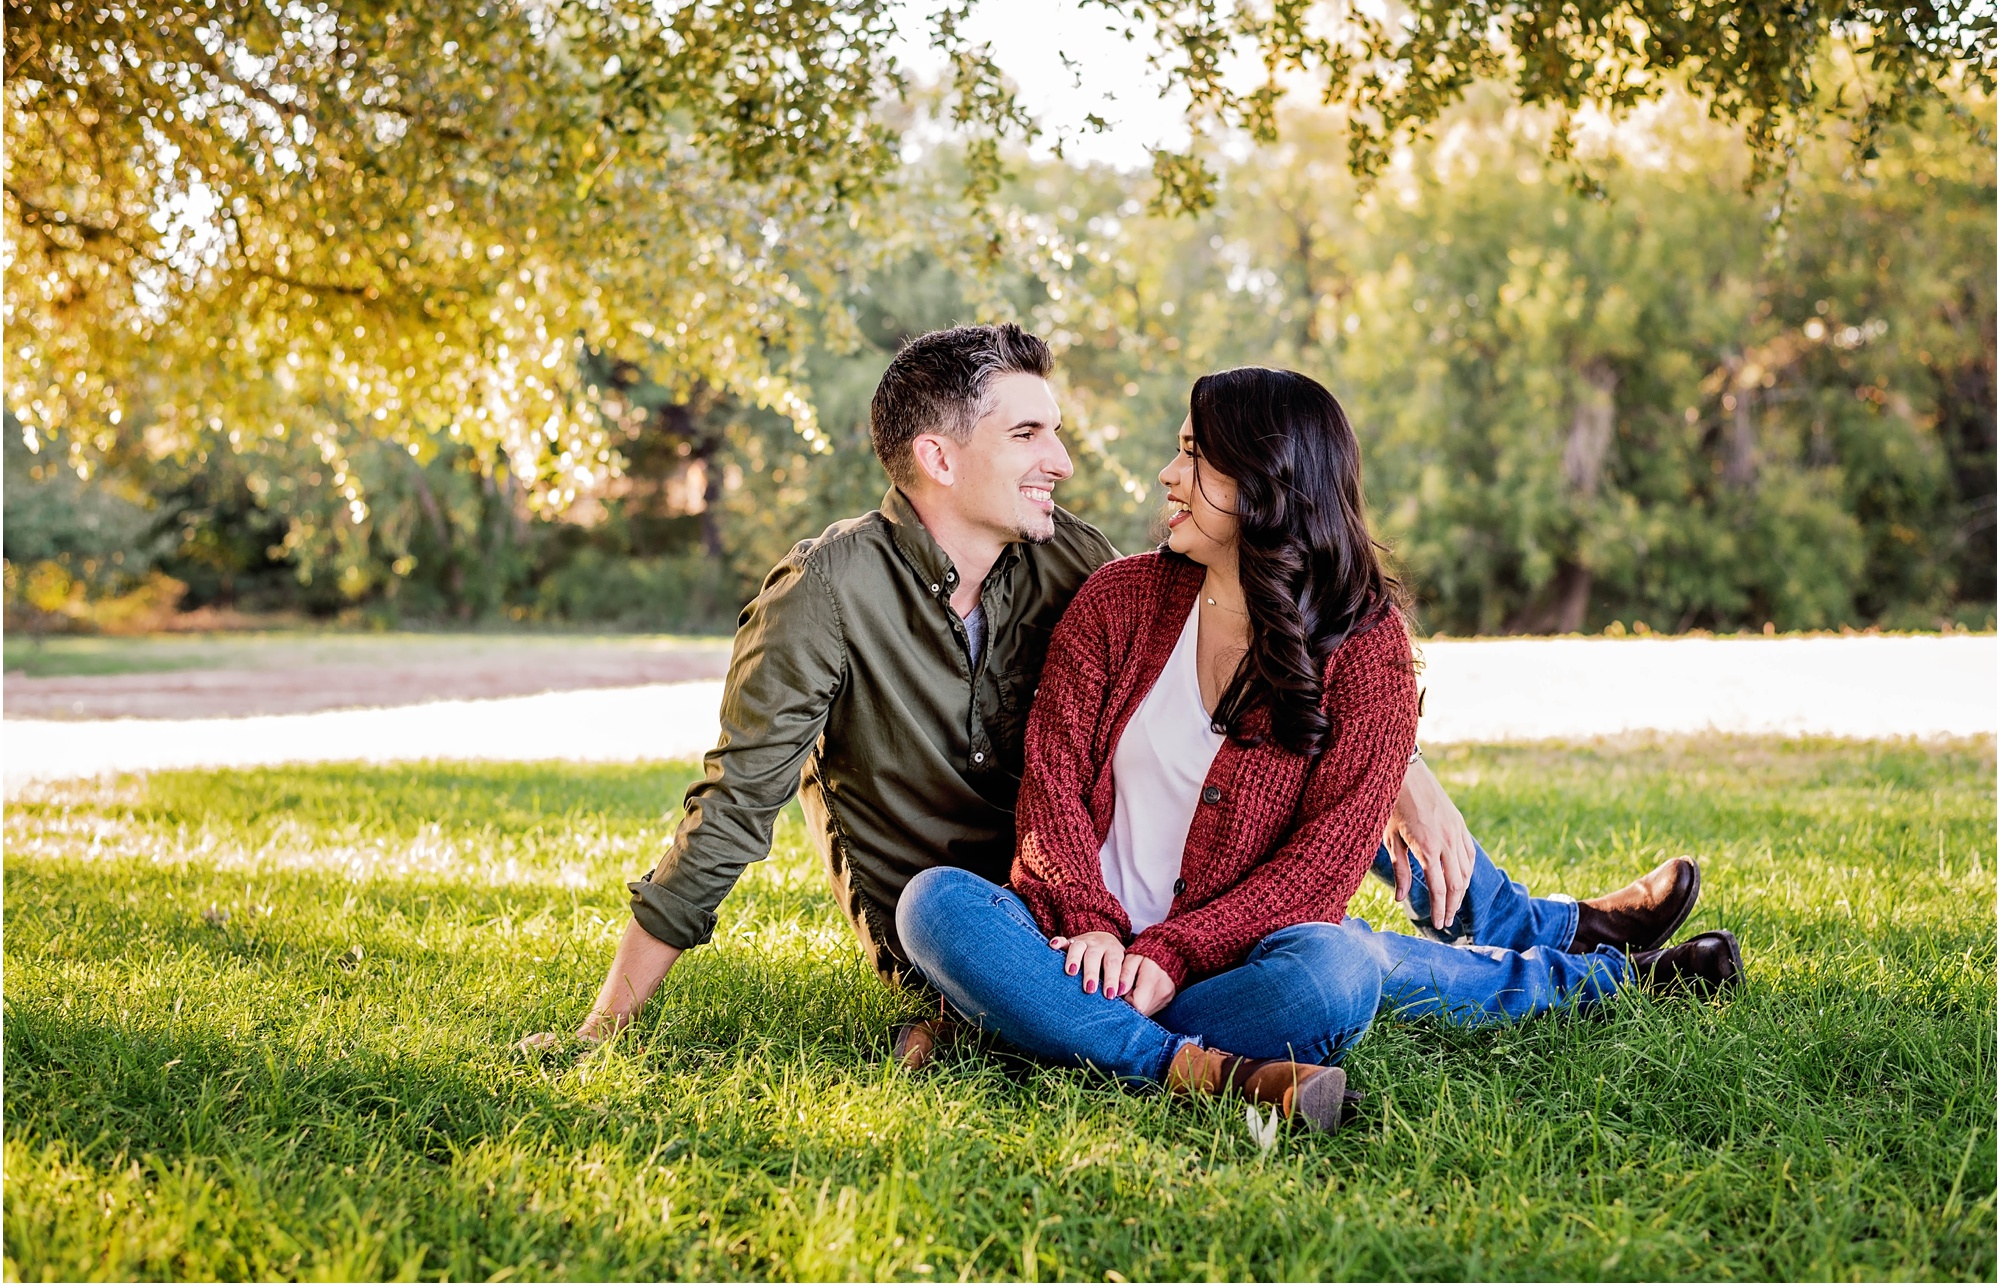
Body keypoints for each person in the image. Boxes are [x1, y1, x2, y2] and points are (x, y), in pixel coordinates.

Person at [521, 325, 1723, 1057]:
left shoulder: (1071, 555)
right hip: (1015, 921)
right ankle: (1201, 1051)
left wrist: (1399, 765)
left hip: (1174, 906)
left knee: (1303, 853)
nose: (1065, 459)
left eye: (1061, 432)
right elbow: (734, 808)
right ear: (941, 459)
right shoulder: (832, 593)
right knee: (1336, 950)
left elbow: (1281, 706)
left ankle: (1556, 933)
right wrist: (602, 1025)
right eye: (1032, 433)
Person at [895, 368, 1743, 1131]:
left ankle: (1023, 1027)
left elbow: (1316, 877)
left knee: (1336, 967)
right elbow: (1052, 788)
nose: (1167, 475)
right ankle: (1188, 1066)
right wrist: (1093, 927)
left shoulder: (1364, 651)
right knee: (933, 905)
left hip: (1225, 969)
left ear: (1267, 485)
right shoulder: (1119, 601)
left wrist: (1170, 953)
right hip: (1077, 953)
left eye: (1195, 457)